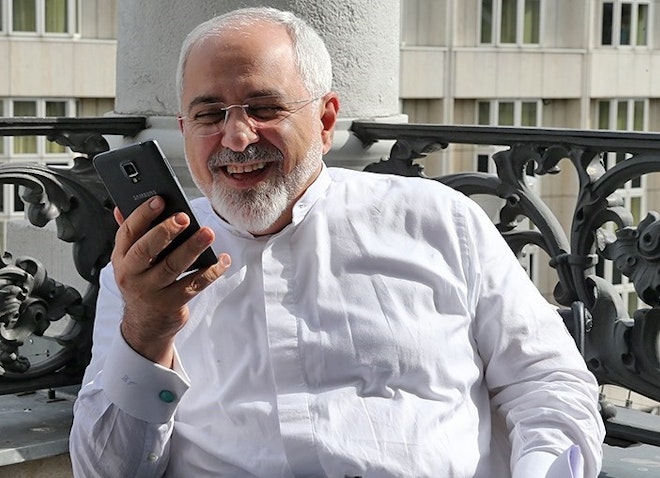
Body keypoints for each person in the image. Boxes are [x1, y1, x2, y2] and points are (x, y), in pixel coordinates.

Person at [70, 6, 605, 478]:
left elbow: (547, 385)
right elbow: (109, 470)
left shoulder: (439, 220)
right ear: (184, 129)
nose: (236, 137)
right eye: (210, 115)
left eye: (264, 108)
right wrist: (147, 329)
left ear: (325, 120)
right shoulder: (145, 272)